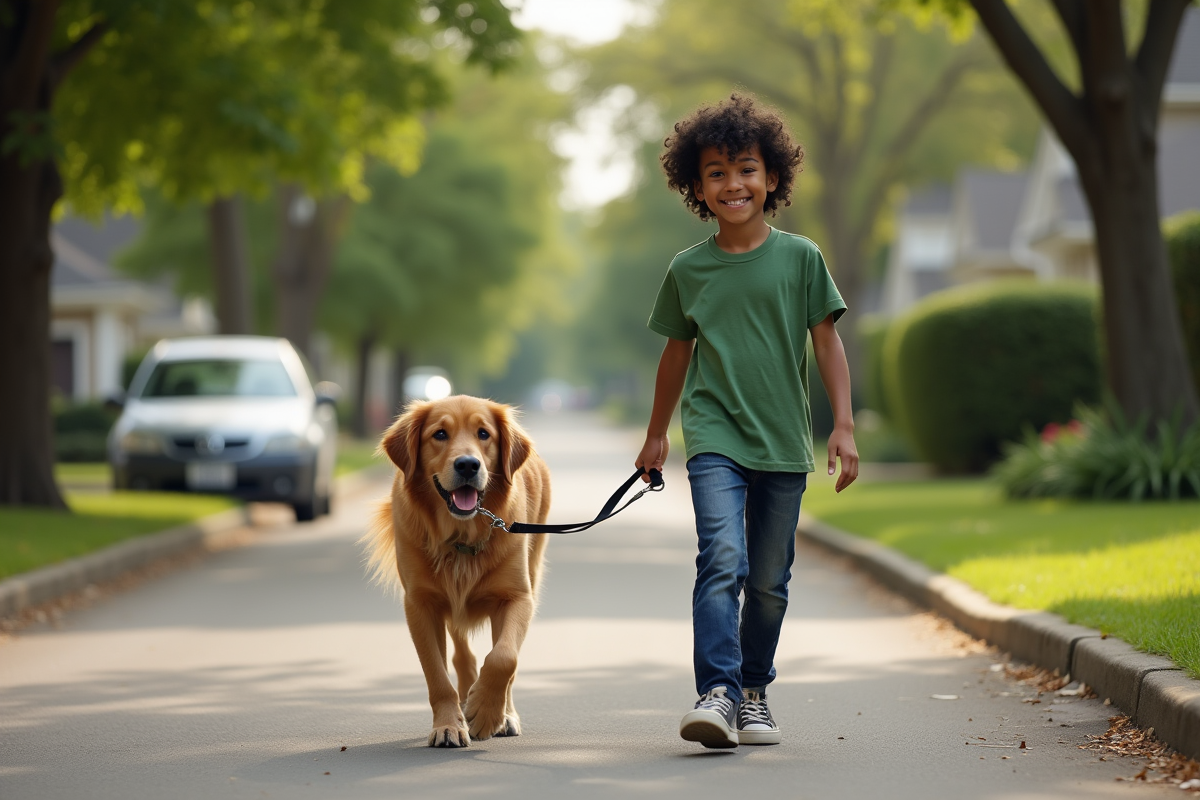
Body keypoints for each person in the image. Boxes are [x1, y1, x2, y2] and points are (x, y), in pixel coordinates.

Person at [635, 94, 859, 749]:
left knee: (768, 583)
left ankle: (754, 692)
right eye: (715, 173)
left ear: (772, 178)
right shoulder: (688, 268)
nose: (733, 184)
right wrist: (656, 435)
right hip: (714, 438)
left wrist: (842, 425)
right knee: (721, 561)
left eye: (746, 169)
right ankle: (718, 693)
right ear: (696, 187)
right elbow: (675, 354)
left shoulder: (801, 258)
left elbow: (827, 343)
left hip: (785, 441)